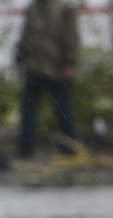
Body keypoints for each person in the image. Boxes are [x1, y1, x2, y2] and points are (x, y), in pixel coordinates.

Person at [14, 0, 80, 159]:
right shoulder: (34, 8)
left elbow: (70, 37)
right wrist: (20, 58)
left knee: (62, 107)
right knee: (30, 108)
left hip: (56, 68)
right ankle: (26, 148)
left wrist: (70, 63)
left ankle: (69, 145)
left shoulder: (64, 9)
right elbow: (26, 35)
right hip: (35, 67)